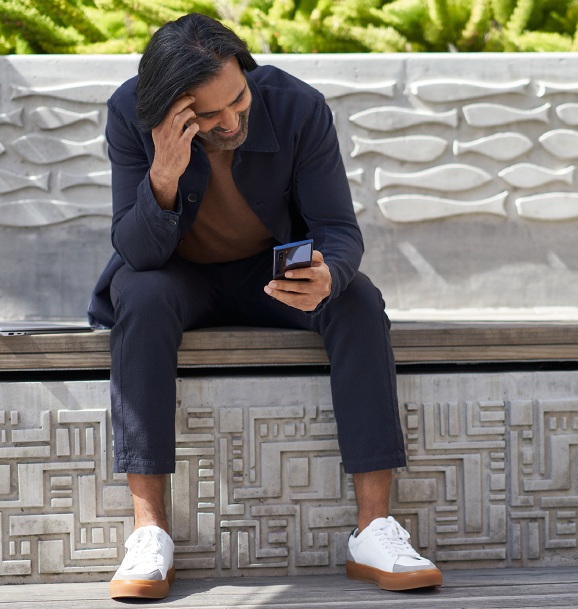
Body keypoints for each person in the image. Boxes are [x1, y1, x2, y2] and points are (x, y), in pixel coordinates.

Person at [87, 13, 442, 600]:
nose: (231, 121)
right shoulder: (130, 113)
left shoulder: (298, 107)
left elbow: (339, 229)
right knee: (141, 297)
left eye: (239, 100)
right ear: (172, 110)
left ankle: (374, 529)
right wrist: (164, 176)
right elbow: (137, 252)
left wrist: (329, 273)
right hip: (177, 275)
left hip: (269, 274)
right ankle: (150, 535)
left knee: (358, 299)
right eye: (208, 115)